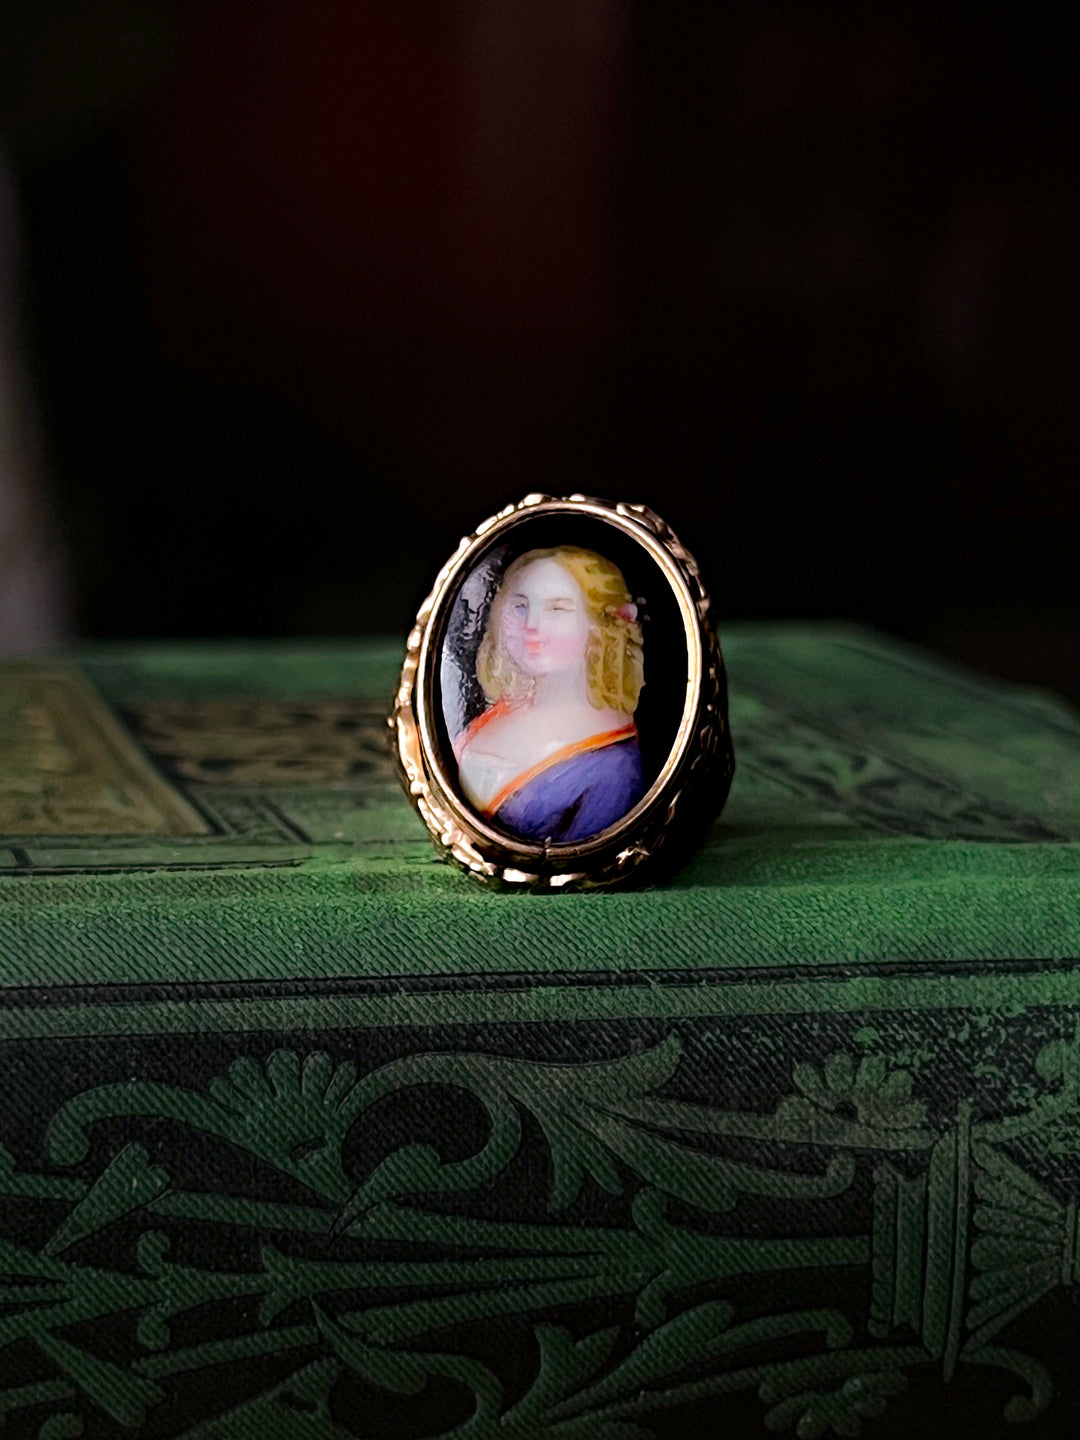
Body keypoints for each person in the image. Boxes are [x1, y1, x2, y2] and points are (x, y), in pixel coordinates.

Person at [454, 546, 644, 842]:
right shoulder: (505, 708)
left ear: (603, 624)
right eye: (520, 606)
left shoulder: (613, 766)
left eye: (558, 609)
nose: (531, 625)